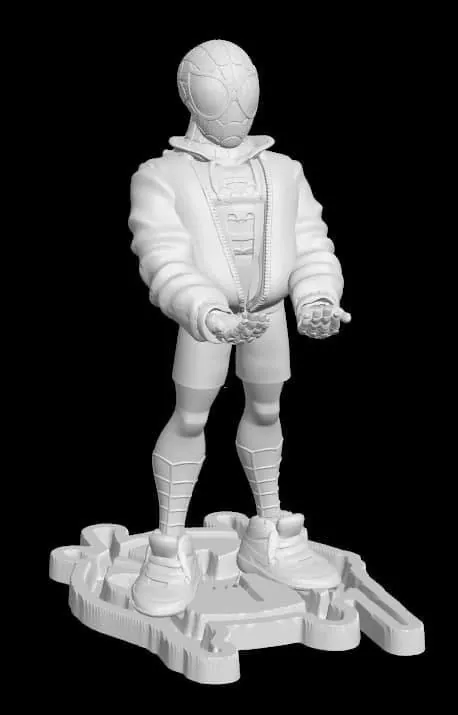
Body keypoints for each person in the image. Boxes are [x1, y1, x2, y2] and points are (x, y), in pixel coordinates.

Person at [128, 39, 351, 616]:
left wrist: (316, 298)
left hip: (268, 315)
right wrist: (207, 312)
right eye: (220, 96)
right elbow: (162, 255)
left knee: (268, 411)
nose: (234, 110)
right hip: (209, 322)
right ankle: (167, 546)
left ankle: (269, 527)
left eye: (242, 95)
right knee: (191, 416)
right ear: (192, 100)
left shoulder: (284, 171)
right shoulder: (161, 175)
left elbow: (310, 243)